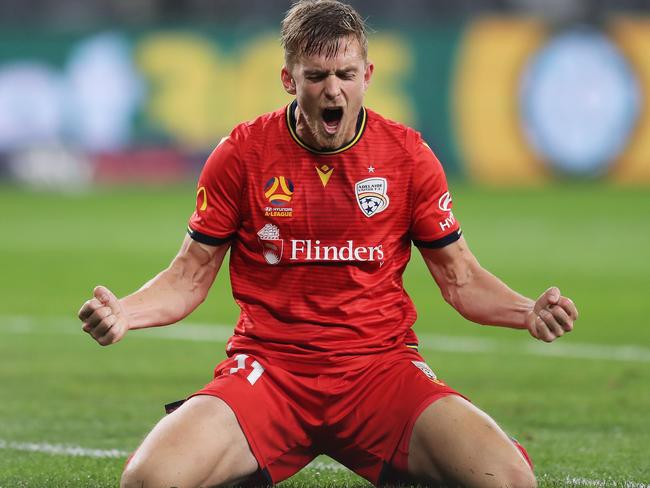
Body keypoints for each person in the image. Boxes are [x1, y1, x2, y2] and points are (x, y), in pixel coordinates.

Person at [78, 1, 578, 487]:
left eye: (345, 74)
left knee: (509, 479)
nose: (332, 90)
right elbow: (188, 277)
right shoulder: (242, 153)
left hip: (380, 370)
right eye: (316, 77)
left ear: (367, 75)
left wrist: (526, 311)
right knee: (149, 480)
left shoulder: (407, 156)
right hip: (271, 373)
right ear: (288, 80)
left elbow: (461, 278)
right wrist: (126, 312)